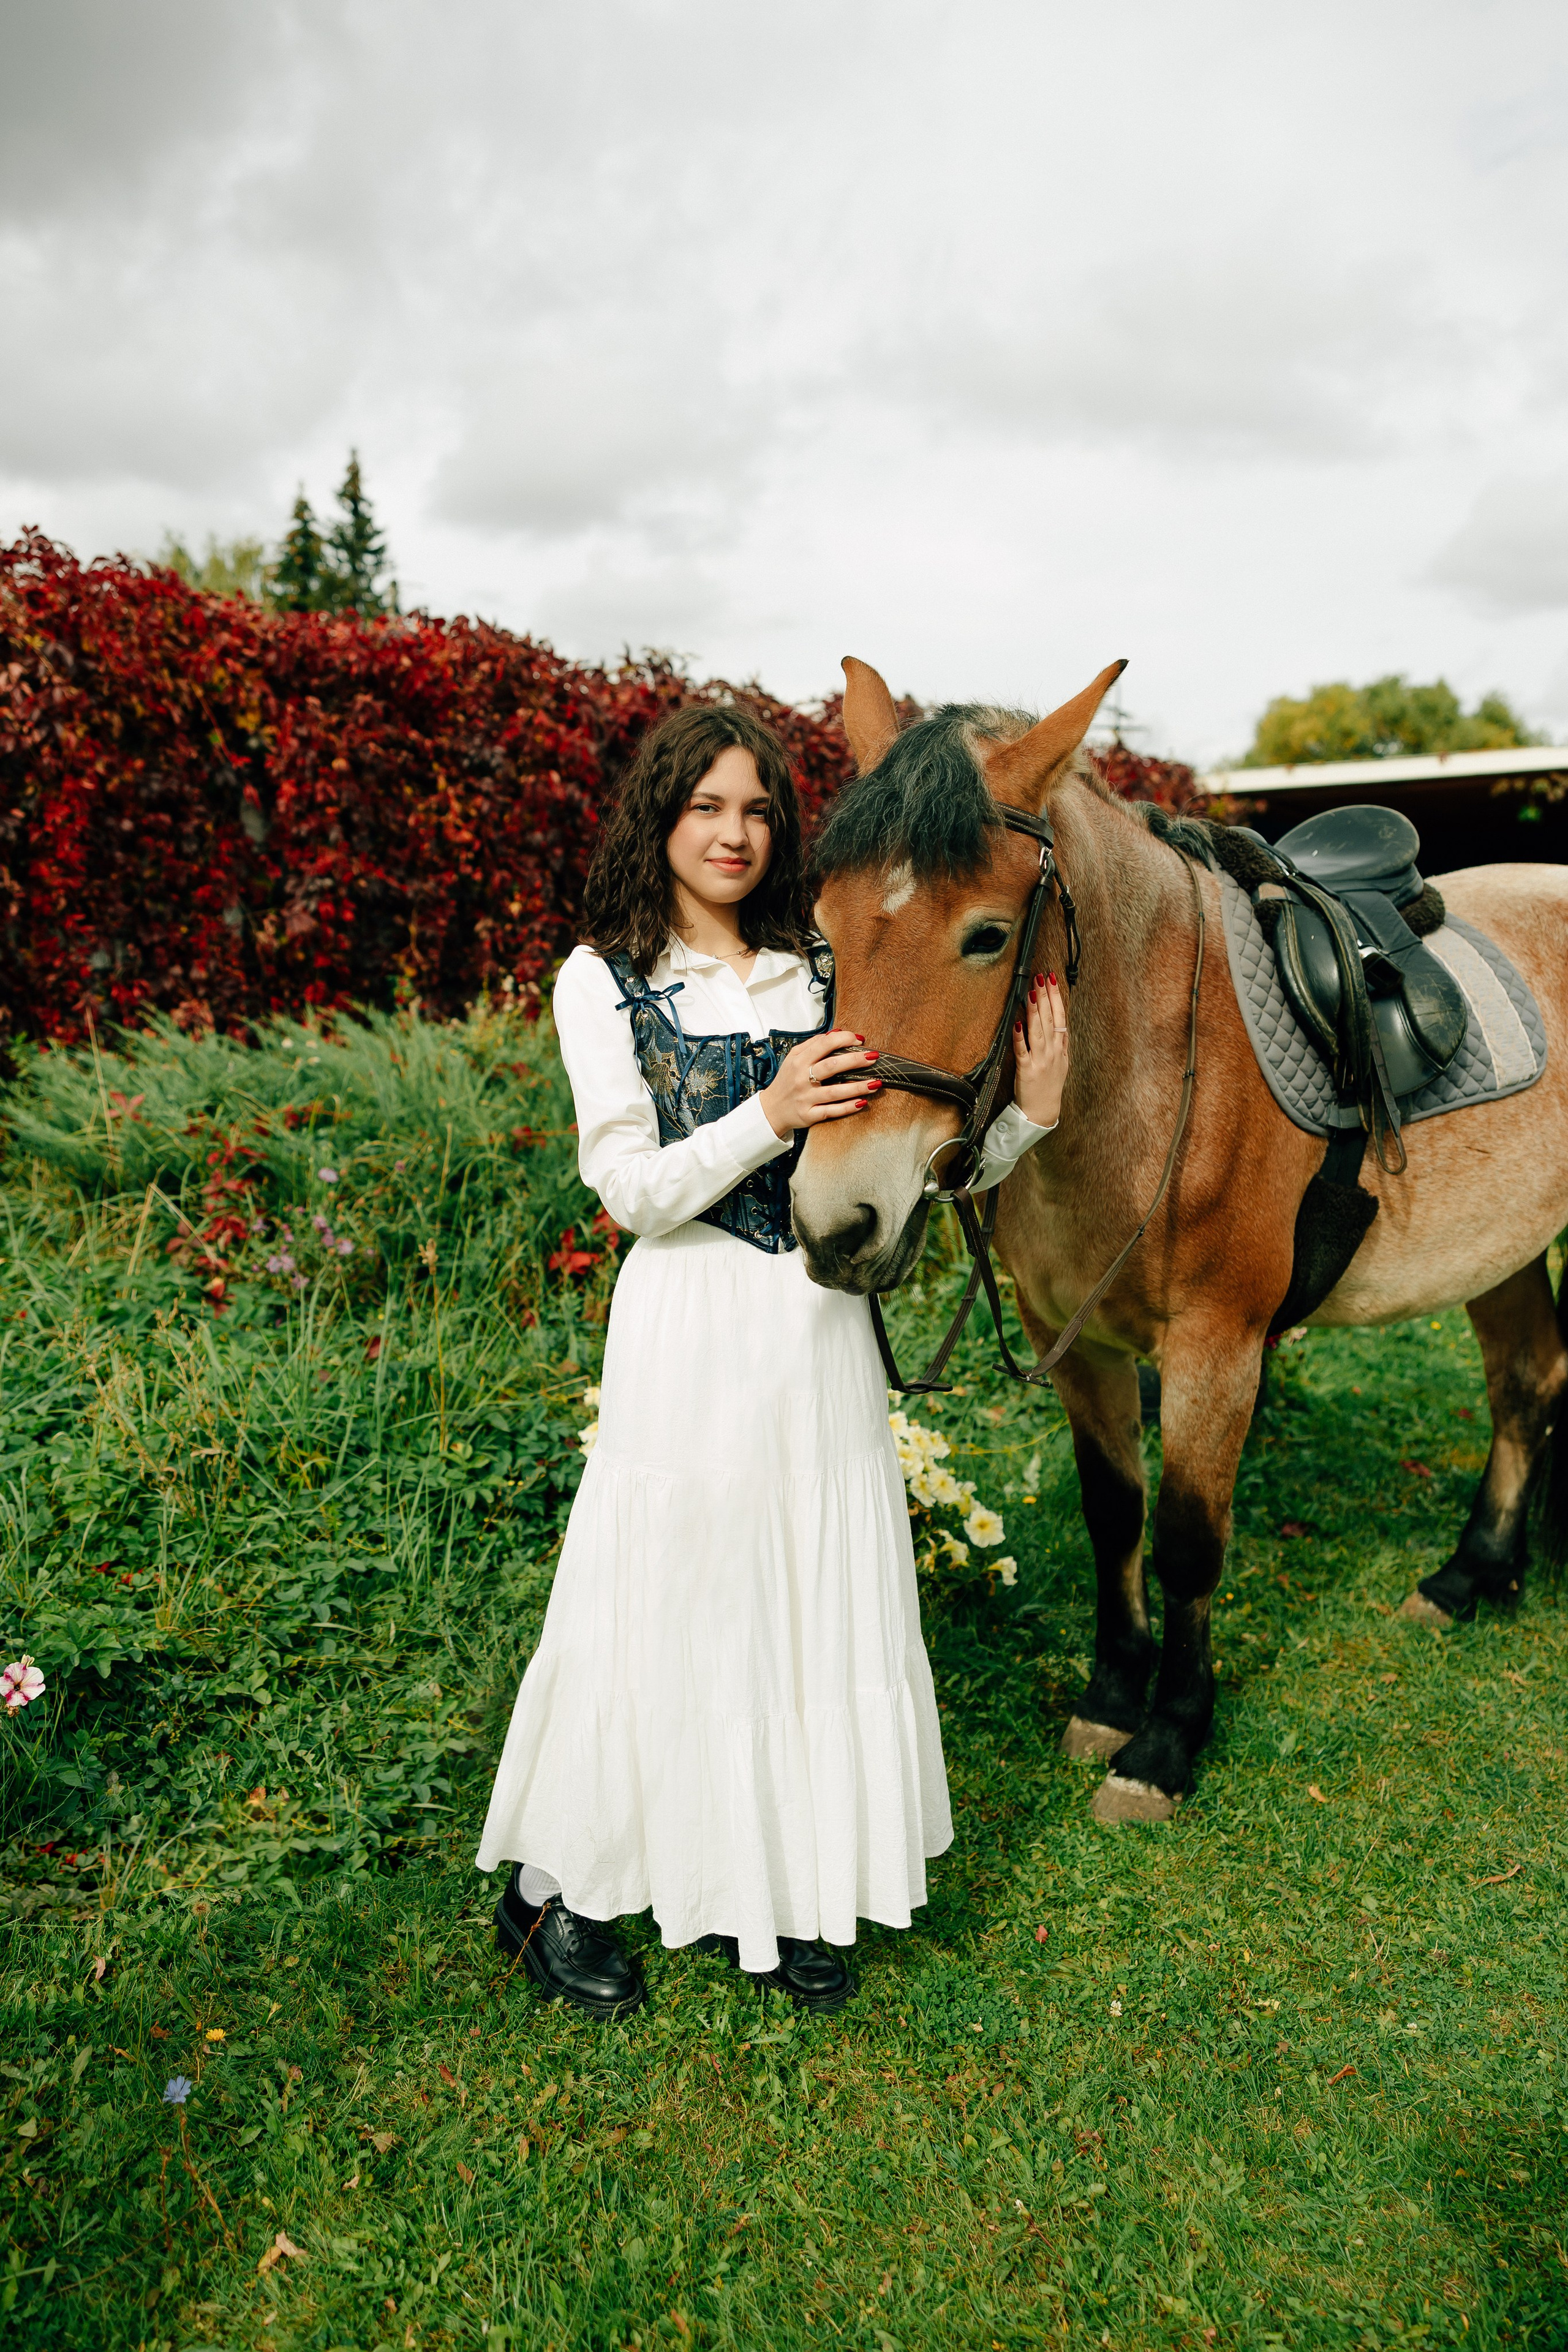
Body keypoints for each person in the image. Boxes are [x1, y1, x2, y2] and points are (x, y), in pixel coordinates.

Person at [475, 703, 1070, 2018]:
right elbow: (630, 1194)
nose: (733, 834)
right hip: (686, 1332)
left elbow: (899, 1163)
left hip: (813, 1333)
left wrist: (1025, 1122)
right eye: (705, 807)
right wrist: (766, 1113)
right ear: (661, 819)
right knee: (664, 1604)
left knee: (805, 1608)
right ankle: (558, 1893)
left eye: (755, 809)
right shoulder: (603, 980)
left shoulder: (819, 966)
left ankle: (789, 1889)